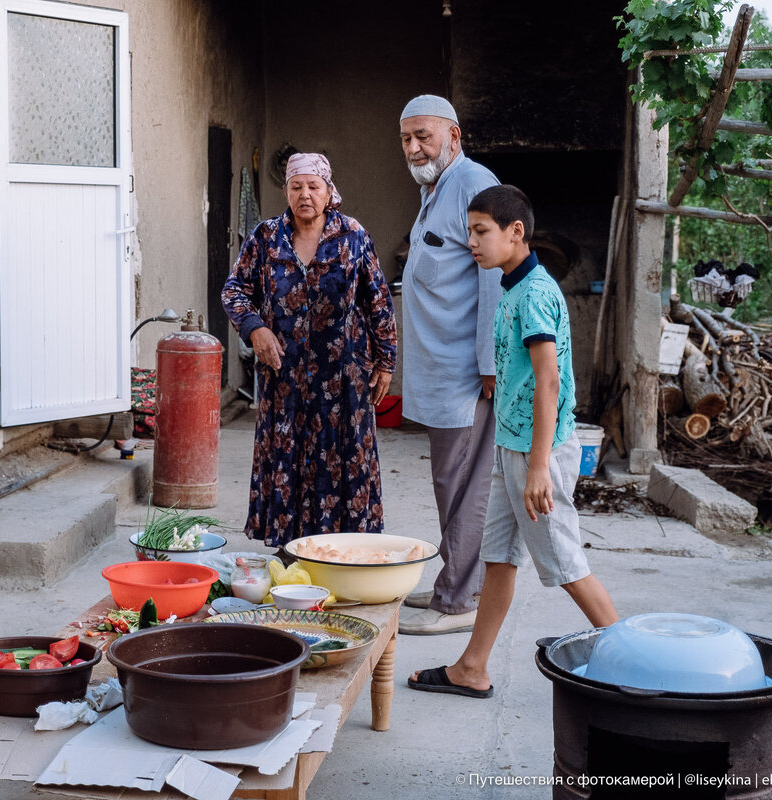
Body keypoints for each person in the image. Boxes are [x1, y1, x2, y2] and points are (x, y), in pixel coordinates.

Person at [408, 185, 618, 698]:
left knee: (565, 564)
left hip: (535, 454)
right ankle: (471, 668)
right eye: (470, 232)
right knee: (498, 558)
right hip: (514, 447)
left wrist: (540, 466)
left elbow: (549, 380)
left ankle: (631, 662)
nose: (472, 243)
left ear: (515, 232)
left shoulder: (535, 295)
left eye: (481, 233)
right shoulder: (512, 287)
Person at [222, 153, 397, 548]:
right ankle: (292, 553)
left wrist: (386, 361)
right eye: (296, 187)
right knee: (289, 457)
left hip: (344, 378)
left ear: (329, 191)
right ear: (286, 191)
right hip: (283, 377)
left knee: (343, 458)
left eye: (313, 186)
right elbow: (234, 290)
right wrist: (255, 328)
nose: (305, 195)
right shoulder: (266, 238)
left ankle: (345, 551)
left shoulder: (352, 235)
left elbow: (379, 301)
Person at [397, 94, 503, 635]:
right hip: (440, 369)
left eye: (425, 136)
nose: (415, 148)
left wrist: (490, 364)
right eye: (407, 138)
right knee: (449, 479)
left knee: (463, 482)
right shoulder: (435, 189)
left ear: (453, 137)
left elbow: (494, 276)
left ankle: (459, 601)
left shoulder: (474, 185)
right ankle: (457, 579)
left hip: (467, 372)